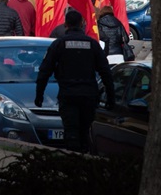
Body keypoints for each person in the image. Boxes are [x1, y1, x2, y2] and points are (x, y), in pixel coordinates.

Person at [35, 10, 115, 153]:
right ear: (81, 24)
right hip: (89, 96)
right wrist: (111, 97)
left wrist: (39, 95)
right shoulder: (93, 44)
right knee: (84, 133)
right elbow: (106, 72)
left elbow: (44, 71)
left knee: (71, 133)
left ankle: (73, 163)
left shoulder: (59, 45)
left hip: (68, 95)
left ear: (65, 24)